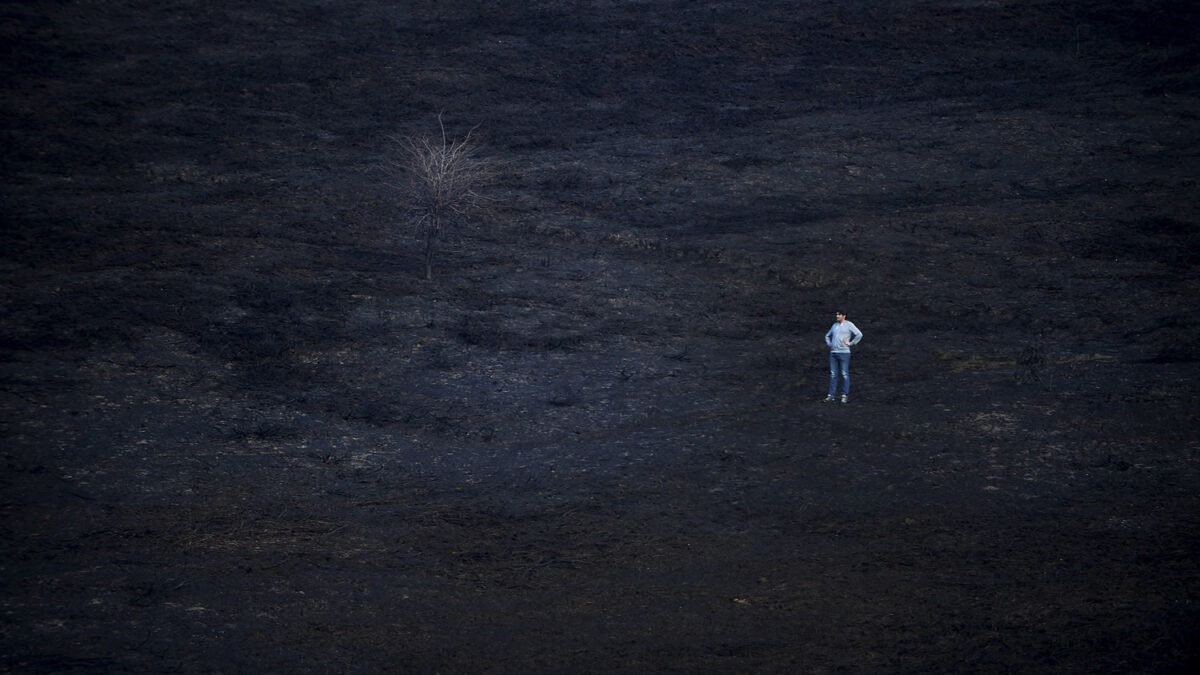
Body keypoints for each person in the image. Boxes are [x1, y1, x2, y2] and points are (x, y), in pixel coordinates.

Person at [824, 311, 863, 403]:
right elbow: (827, 335)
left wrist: (851, 343)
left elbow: (859, 334)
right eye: (836, 314)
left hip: (844, 353)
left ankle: (844, 395)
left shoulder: (849, 325)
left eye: (839, 315)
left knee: (844, 374)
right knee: (833, 374)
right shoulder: (834, 325)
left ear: (844, 316)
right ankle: (831, 395)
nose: (837, 316)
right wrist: (830, 343)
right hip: (833, 353)